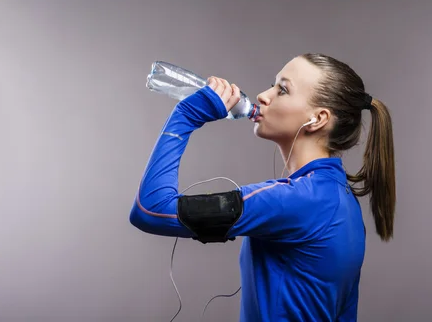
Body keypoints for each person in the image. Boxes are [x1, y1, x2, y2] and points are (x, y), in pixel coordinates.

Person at [129, 53, 396, 321]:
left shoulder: (297, 200)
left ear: (318, 119)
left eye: (282, 90)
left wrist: (185, 116)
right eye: (273, 84)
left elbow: (150, 209)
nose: (263, 96)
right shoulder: (341, 199)